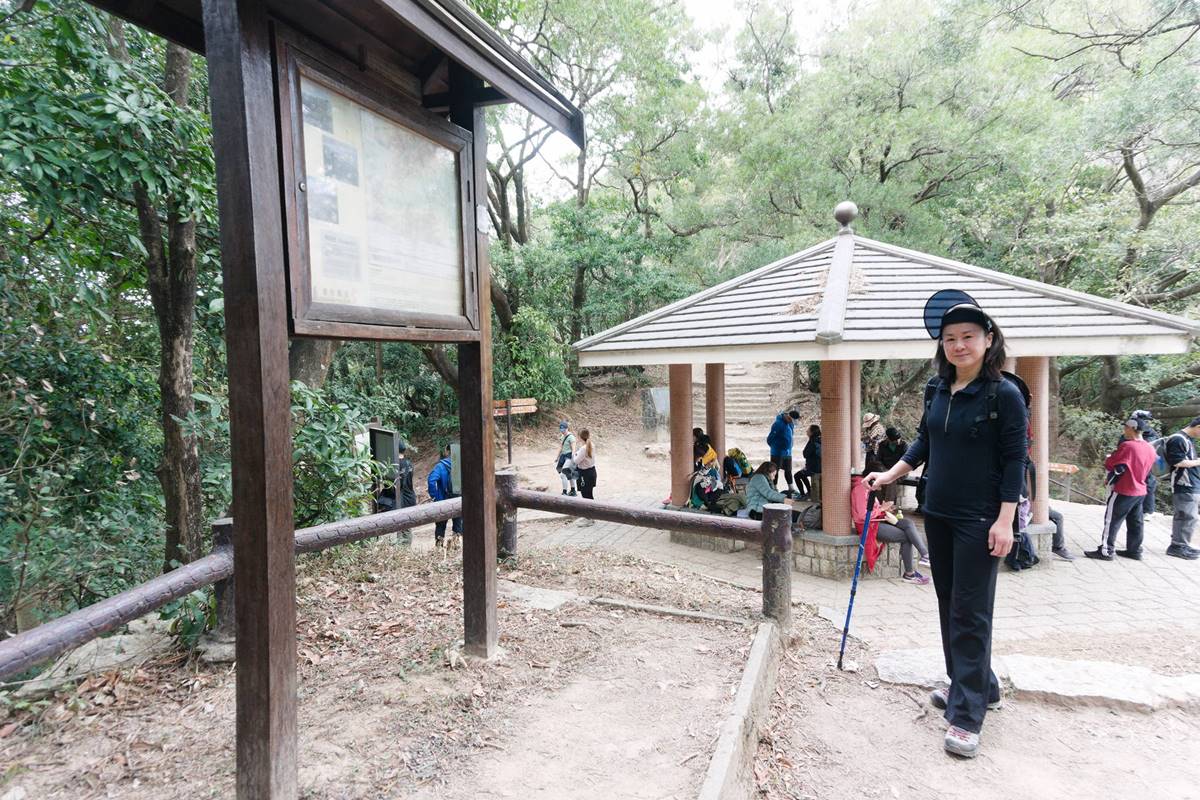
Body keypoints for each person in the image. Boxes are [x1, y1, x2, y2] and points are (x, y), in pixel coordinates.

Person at [866, 294, 1026, 759]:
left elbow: (1015, 460)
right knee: (949, 602)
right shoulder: (937, 388)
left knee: (971, 612)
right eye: (950, 338)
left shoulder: (1004, 394)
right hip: (937, 511)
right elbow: (924, 440)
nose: (959, 345)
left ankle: (967, 716)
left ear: (988, 339)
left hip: (980, 518)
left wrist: (1005, 521)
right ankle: (975, 685)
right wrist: (891, 474)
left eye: (968, 337)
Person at [1087, 415, 1157, 561]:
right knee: (1136, 522)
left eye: (1125, 427)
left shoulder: (1128, 446)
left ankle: (1106, 551)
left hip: (1125, 489)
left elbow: (1111, 463)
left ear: (1132, 428)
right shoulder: (1150, 448)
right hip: (1141, 490)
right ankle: (1134, 550)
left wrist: (1109, 459)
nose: (1124, 430)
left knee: (1111, 520)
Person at [852, 471, 931, 584]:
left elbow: (871, 509)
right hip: (869, 526)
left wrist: (883, 509)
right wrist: (881, 509)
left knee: (908, 523)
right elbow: (862, 515)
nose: (883, 485)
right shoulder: (860, 489)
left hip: (877, 520)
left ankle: (925, 555)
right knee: (906, 536)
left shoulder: (867, 487)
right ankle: (909, 574)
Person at [1164, 416, 1200, 560]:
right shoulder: (1178, 439)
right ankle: (1177, 546)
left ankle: (1182, 544)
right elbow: (1177, 462)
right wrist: (1198, 462)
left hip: (1191, 484)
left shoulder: (1187, 440)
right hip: (1184, 484)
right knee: (1187, 516)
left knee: (1188, 516)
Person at [427, 443, 462, 546]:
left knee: (440, 526)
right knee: (458, 525)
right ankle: (456, 546)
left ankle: (439, 547)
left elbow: (431, 480)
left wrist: (434, 496)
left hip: (443, 500)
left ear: (447, 451)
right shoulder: (461, 465)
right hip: (458, 500)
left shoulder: (441, 466)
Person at [766, 409, 801, 495]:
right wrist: (776, 447)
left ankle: (791, 488)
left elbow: (791, 435)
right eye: (791, 421)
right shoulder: (778, 424)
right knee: (775, 471)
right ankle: (774, 488)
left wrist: (789, 446)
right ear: (788, 417)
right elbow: (770, 439)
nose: (791, 423)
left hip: (788, 452)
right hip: (777, 452)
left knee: (788, 470)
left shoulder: (790, 424)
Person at [393, 440, 417, 546]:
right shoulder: (409, 463)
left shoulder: (396, 465)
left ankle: (402, 550)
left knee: (400, 526)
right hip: (410, 496)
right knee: (407, 526)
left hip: (401, 498)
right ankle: (406, 550)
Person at [877, 427, 908, 504]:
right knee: (878, 479)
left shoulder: (904, 445)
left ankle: (889, 504)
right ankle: (879, 504)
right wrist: (884, 470)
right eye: (894, 440)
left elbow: (906, 462)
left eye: (898, 439)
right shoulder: (882, 445)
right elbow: (878, 461)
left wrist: (892, 472)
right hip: (885, 470)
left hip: (900, 472)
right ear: (888, 439)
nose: (897, 441)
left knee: (891, 479)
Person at [794, 425, 822, 499]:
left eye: (808, 430)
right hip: (818, 466)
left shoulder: (813, 441)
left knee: (797, 476)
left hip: (814, 468)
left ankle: (803, 494)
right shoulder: (819, 439)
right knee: (802, 475)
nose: (806, 431)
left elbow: (805, 454)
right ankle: (809, 492)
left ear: (812, 432)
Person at [574, 428, 598, 499]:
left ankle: (592, 506)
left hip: (584, 475)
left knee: (585, 497)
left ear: (579, 437)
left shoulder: (583, 449)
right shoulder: (591, 444)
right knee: (589, 495)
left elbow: (575, 461)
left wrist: (574, 453)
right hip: (591, 472)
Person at [556, 420, 578, 496]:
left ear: (567, 428)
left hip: (569, 457)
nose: (562, 431)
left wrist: (573, 458)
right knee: (568, 474)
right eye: (561, 429)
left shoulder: (571, 437)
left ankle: (564, 492)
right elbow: (561, 447)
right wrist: (557, 457)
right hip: (563, 456)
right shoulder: (562, 436)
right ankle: (573, 491)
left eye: (563, 429)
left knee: (563, 474)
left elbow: (574, 449)